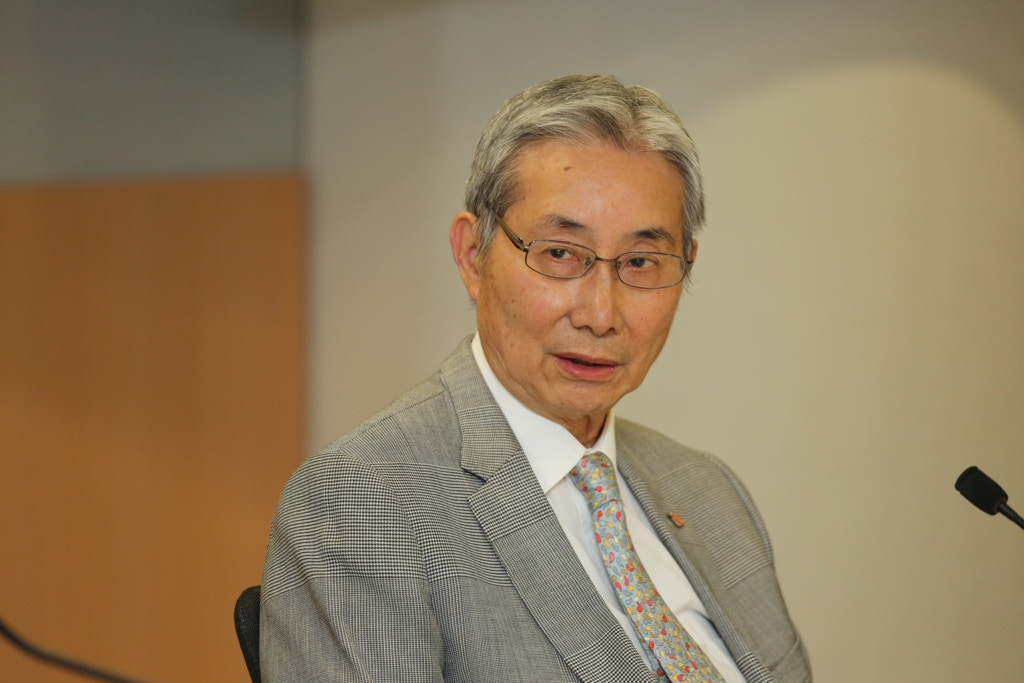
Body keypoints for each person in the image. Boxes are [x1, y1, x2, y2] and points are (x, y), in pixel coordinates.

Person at [260, 74, 811, 683]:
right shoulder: (365, 502)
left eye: (641, 262)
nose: (601, 314)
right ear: (473, 256)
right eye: (559, 254)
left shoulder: (709, 490)